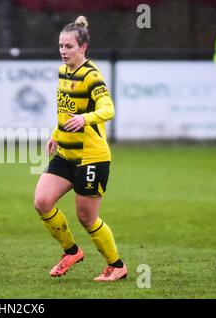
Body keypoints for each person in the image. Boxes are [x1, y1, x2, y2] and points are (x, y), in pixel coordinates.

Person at [34, 16, 127, 282]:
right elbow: (66, 110)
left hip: (91, 158)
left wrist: (86, 119)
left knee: (86, 218)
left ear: (83, 47)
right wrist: (56, 134)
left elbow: (108, 109)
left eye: (69, 47)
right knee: (42, 201)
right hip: (66, 153)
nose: (63, 51)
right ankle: (71, 252)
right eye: (61, 46)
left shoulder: (92, 75)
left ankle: (116, 265)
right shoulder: (63, 72)